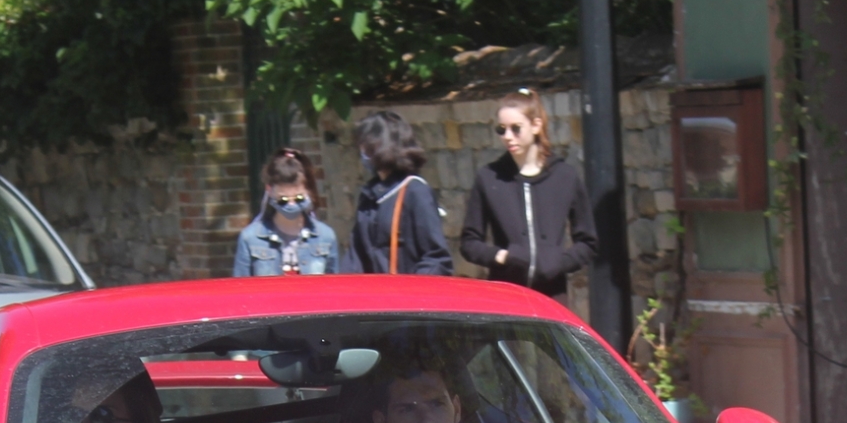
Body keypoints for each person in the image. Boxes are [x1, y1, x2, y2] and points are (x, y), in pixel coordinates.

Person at [459, 86, 597, 297]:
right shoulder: (489, 178)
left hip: (552, 296)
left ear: (535, 126)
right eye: (501, 129)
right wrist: (502, 256)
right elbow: (469, 243)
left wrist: (560, 262)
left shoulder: (565, 176)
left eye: (516, 128)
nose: (508, 136)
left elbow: (588, 242)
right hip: (506, 295)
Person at [345, 110, 452, 275]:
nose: (363, 151)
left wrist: (411, 292)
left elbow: (436, 257)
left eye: (367, 146)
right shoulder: (369, 195)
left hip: (406, 294)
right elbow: (356, 255)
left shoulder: (415, 192)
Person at [231, 149, 340, 275]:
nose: (291, 204)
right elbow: (241, 288)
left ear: (308, 192)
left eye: (299, 198)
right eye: (283, 200)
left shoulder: (325, 237)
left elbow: (332, 288)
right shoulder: (250, 238)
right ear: (270, 190)